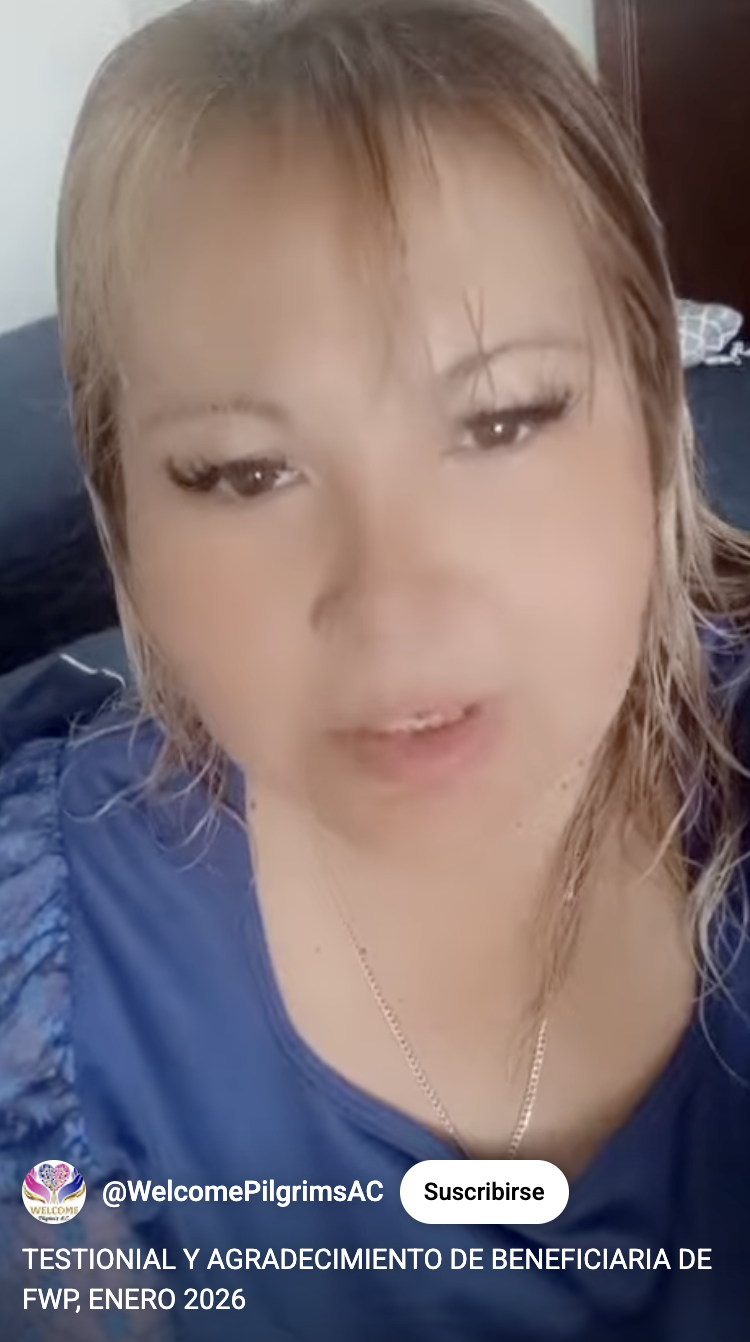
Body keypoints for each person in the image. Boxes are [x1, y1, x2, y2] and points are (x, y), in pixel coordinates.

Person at [1, 1, 750, 1338]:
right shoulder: (44, 993)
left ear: (653, 410)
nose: (392, 610)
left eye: (502, 418)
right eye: (245, 472)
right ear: (124, 515)